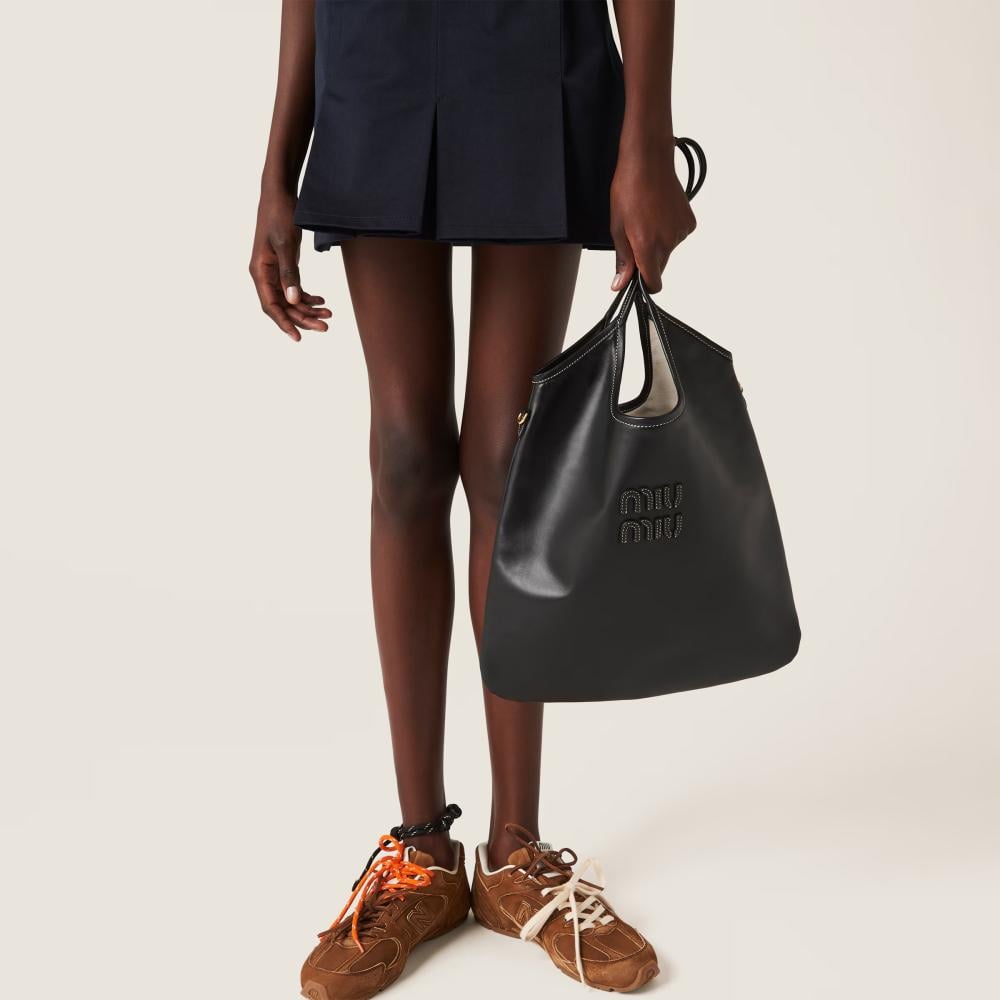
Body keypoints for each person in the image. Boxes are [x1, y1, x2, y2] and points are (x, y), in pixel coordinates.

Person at [249, 2, 696, 995]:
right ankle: (420, 851)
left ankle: (515, 854)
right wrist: (277, 168)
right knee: (406, 456)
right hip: (375, 62)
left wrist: (646, 143)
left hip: (535, 54)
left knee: (508, 459)